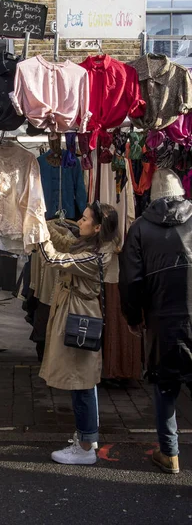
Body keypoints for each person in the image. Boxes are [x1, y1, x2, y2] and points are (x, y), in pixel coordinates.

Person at [119, 168, 192, 475]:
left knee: (165, 387)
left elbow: (132, 281)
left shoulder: (139, 229)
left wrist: (133, 318)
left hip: (162, 321)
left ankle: (170, 455)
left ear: (151, 195)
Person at [39, 201, 119, 465]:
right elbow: (65, 241)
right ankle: (85, 439)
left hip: (80, 315)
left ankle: (85, 447)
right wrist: (46, 225)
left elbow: (55, 258)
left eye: (85, 219)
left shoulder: (96, 256)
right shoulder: (91, 245)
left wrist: (38, 235)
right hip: (76, 310)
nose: (80, 222)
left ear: (97, 228)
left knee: (82, 380)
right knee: (81, 380)